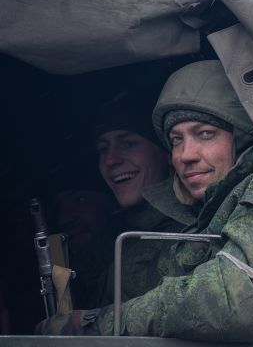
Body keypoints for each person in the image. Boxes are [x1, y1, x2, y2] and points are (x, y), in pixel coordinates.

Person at [36, 60, 253, 340]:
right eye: (176, 140)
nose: (186, 154)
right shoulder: (212, 210)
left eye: (205, 134)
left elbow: (236, 303)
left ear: (241, 139)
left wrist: (100, 324)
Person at [70, 92, 188, 309]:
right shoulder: (111, 235)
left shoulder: (192, 228)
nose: (110, 160)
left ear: (167, 153)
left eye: (129, 144)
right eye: (103, 149)